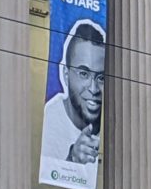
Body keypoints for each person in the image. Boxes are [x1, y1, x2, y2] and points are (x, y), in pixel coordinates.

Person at [41, 21, 105, 165]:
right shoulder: (50, 120)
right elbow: (47, 178)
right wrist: (73, 159)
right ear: (65, 74)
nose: (94, 89)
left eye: (101, 78)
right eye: (83, 74)